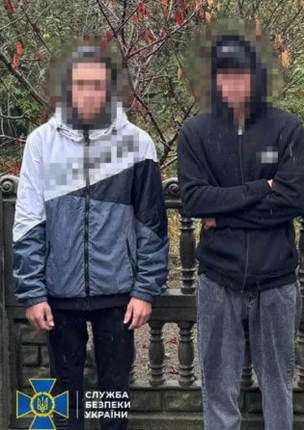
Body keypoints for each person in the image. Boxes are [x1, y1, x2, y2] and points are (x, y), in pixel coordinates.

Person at [12, 45, 169, 430]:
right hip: (59, 292)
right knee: (65, 397)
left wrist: (145, 290)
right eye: (81, 84)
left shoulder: (137, 143)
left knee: (113, 397)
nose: (89, 93)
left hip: (118, 293)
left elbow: (152, 225)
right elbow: (28, 220)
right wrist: (32, 292)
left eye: (97, 84)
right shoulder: (41, 142)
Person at [177, 33, 304, 430]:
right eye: (225, 74)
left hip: (276, 279)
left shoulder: (286, 128)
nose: (233, 83)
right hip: (218, 277)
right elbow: (194, 200)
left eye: (241, 74)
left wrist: (224, 214)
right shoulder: (195, 133)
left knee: (278, 386)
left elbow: (291, 200)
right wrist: (258, 190)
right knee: (218, 388)